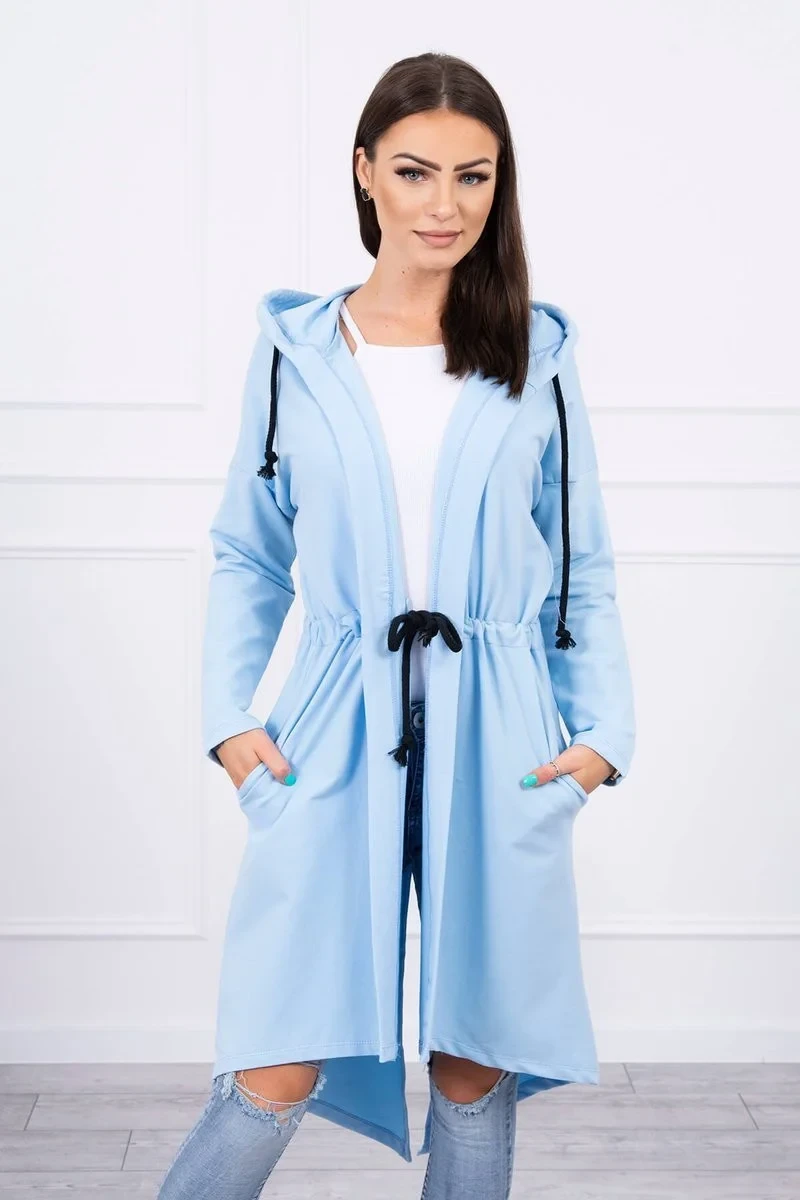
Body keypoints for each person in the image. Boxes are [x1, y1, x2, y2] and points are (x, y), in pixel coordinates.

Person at [157, 50, 635, 1200]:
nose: (443, 205)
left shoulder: (536, 357)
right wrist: (228, 719)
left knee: (475, 1060)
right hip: (331, 727)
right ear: (364, 170)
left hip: (502, 731)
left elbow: (580, 567)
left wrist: (600, 737)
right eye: (415, 171)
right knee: (275, 1057)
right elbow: (247, 551)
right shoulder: (297, 355)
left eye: (473, 176)